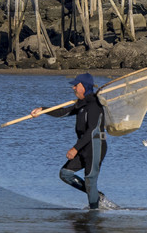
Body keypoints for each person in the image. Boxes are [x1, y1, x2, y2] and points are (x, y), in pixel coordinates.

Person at [30, 73, 111, 210]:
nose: (73, 88)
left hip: (95, 144)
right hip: (84, 145)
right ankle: (97, 197)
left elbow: (92, 130)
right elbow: (62, 112)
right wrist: (43, 110)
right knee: (65, 173)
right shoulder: (81, 104)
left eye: (76, 85)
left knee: (90, 178)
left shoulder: (94, 105)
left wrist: (75, 148)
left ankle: (94, 213)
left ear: (84, 87)